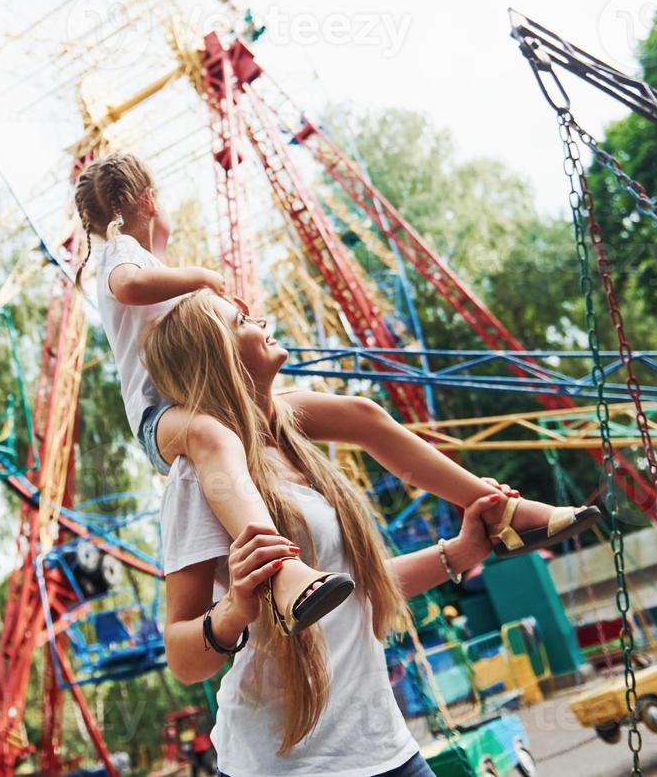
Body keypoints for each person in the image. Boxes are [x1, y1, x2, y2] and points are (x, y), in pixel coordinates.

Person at [74, 153, 599, 635]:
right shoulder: (122, 253)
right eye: (159, 201)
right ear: (145, 202)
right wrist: (205, 278)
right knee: (211, 437)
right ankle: (284, 572)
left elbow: (158, 285)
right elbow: (128, 288)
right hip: (163, 417)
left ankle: (494, 507)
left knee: (357, 413)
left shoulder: (151, 260)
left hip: (215, 395)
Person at [147, 291, 504, 775]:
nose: (262, 319)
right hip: (289, 763)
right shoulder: (199, 480)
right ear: (219, 353)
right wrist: (233, 612)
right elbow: (184, 659)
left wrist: (460, 553)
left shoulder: (297, 450)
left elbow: (353, 589)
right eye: (242, 321)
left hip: (384, 744)